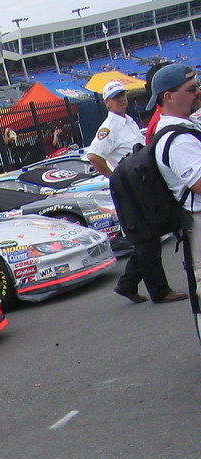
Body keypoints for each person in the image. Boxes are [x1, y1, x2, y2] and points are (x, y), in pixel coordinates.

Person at [89, 81, 187, 304]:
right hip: (131, 187)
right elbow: (94, 156)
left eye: (122, 95)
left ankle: (128, 284)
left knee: (148, 238)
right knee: (146, 238)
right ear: (107, 103)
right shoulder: (109, 127)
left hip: (141, 184)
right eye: (115, 97)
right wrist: (114, 177)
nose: (121, 100)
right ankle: (159, 290)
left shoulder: (128, 120)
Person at [149, 64, 201, 317]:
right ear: (168, 96)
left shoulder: (185, 127)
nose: (198, 92)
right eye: (191, 89)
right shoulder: (178, 139)